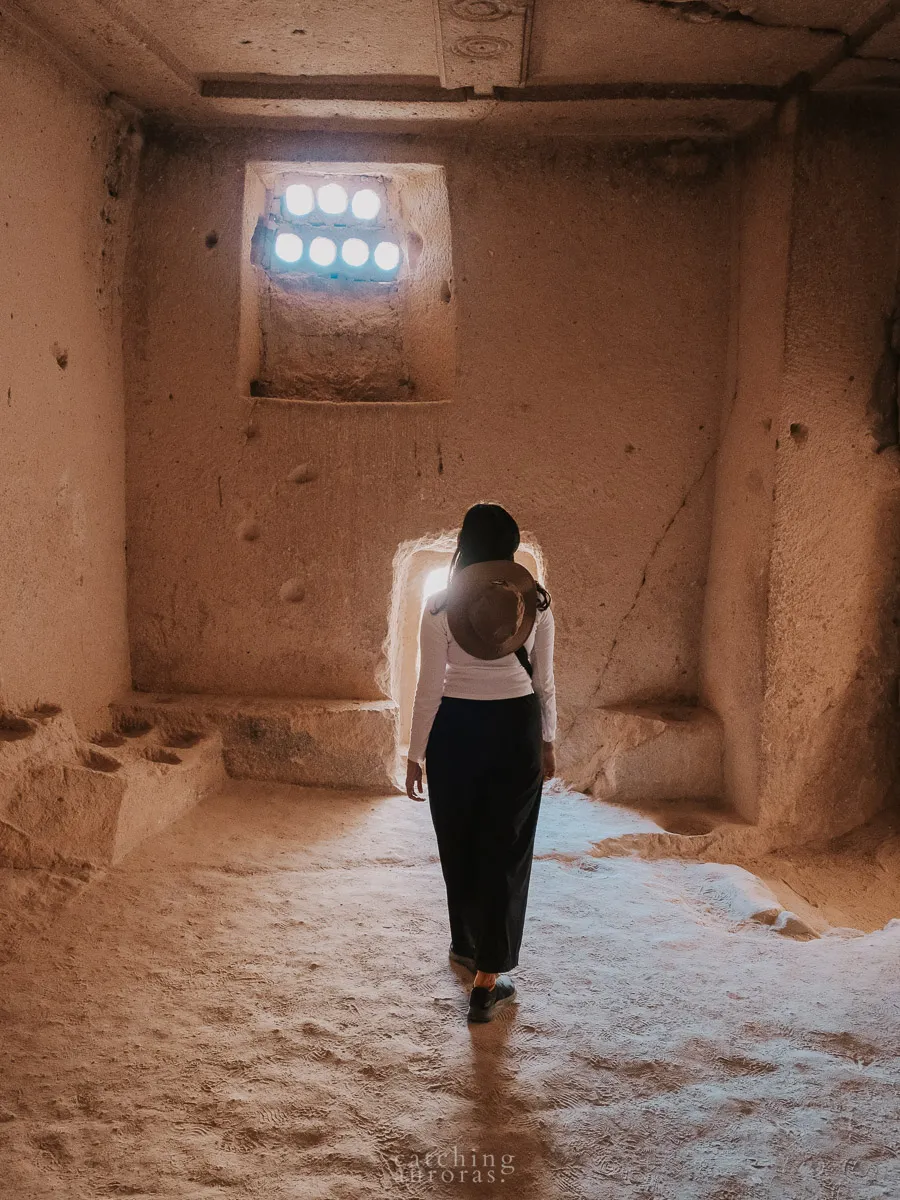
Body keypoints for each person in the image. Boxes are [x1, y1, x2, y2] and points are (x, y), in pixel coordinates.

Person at [406, 503, 557, 1023]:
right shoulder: (535, 604)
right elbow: (544, 683)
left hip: (455, 733)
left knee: (461, 840)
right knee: (507, 850)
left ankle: (467, 945)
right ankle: (488, 979)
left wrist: (415, 753)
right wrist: (548, 741)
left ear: (464, 547)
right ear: (510, 550)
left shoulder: (439, 606)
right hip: (516, 731)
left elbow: (429, 688)